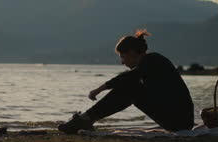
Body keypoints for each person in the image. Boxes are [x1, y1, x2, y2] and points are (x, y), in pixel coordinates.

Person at [58, 30, 194, 134]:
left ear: (132, 52)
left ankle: (85, 119)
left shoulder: (154, 60)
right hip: (175, 119)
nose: (122, 62)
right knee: (130, 86)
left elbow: (128, 77)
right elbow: (129, 77)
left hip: (179, 121)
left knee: (130, 87)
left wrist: (100, 89)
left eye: (123, 57)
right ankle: (87, 119)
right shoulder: (149, 63)